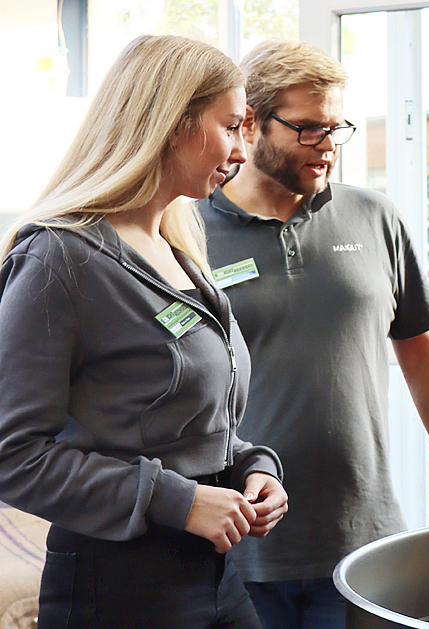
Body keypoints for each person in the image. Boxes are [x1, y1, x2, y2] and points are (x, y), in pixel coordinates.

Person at [0, 35, 289, 628]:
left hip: (214, 576)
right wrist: (179, 502)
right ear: (173, 122)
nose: (240, 151)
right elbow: (13, 456)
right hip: (115, 586)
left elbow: (178, 427)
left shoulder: (179, 251)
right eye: (230, 126)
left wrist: (251, 467)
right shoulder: (59, 257)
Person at [197, 38, 429, 628]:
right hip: (237, 541)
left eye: (336, 127)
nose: (327, 147)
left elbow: (423, 350)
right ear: (251, 123)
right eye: (308, 129)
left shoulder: (374, 217)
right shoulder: (187, 230)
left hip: (363, 538)